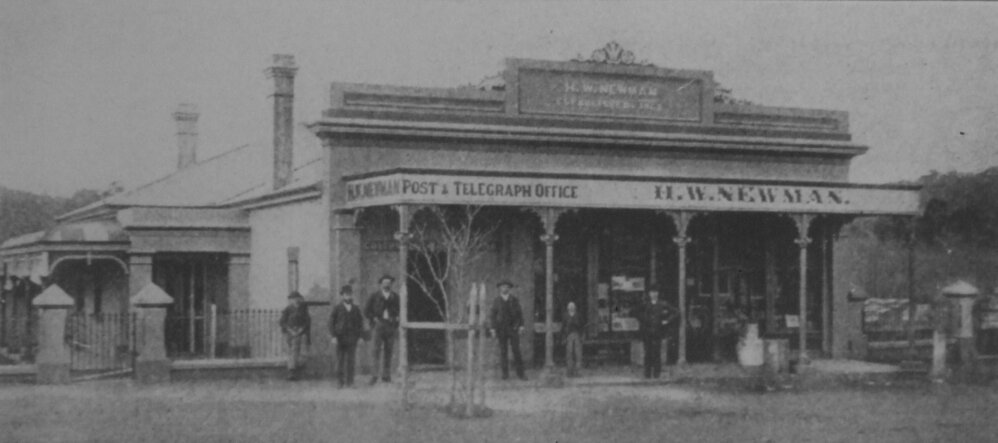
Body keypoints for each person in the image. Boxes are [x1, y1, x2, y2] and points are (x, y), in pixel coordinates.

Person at [364, 274, 400, 385]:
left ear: (391, 284)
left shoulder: (396, 297)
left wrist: (396, 321)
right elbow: (366, 311)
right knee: (375, 351)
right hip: (378, 325)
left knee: (389, 351)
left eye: (389, 283)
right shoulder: (374, 296)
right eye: (384, 283)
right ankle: (374, 376)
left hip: (390, 325)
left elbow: (400, 311)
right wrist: (373, 318)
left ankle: (386, 375)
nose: (386, 285)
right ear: (381, 284)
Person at [489, 280, 526, 381]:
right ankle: (505, 374)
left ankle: (521, 374)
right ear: (500, 288)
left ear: (509, 288)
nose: (504, 288)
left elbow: (520, 313)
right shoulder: (496, 301)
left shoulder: (514, 300)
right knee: (503, 352)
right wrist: (493, 329)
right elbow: (492, 315)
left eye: (506, 287)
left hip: (513, 328)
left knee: (516, 350)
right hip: (501, 329)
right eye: (502, 287)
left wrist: (521, 326)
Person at [329, 285, 364, 388]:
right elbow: (331, 323)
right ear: (342, 296)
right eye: (345, 294)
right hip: (340, 337)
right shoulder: (337, 308)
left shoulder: (356, 308)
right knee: (340, 360)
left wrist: (361, 336)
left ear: (351, 295)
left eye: (349, 294)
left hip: (352, 337)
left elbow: (360, 323)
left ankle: (350, 382)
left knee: (351, 360)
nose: (347, 296)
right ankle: (340, 382)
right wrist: (333, 336)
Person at [639, 290, 678, 379]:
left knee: (656, 352)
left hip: (658, 331)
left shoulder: (663, 304)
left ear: (658, 294)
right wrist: (643, 321)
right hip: (647, 332)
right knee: (647, 352)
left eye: (655, 292)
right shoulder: (645, 305)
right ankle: (647, 374)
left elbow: (675, 312)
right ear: (649, 294)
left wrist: (667, 321)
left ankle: (657, 374)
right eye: (652, 292)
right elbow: (635, 312)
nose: (654, 294)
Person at [279, 291, 311, 381]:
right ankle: (292, 370)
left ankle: (292, 371)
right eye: (293, 299)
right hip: (289, 332)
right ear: (291, 300)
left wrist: (301, 330)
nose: (295, 301)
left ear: (300, 299)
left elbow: (307, 321)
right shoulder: (288, 309)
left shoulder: (303, 309)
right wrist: (290, 330)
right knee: (292, 352)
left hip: (300, 332)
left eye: (297, 298)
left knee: (295, 351)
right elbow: (282, 322)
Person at [563, 301, 585, 377]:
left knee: (578, 354)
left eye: (573, 306)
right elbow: (563, 326)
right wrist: (563, 336)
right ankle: (569, 371)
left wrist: (582, 335)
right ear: (568, 308)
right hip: (568, 336)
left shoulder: (578, 315)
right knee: (569, 353)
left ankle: (578, 371)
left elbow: (582, 326)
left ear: (575, 308)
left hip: (577, 335)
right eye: (570, 307)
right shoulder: (565, 316)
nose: (571, 308)